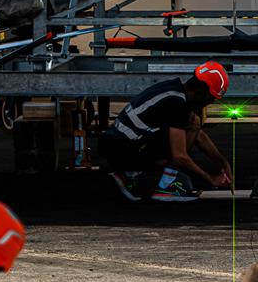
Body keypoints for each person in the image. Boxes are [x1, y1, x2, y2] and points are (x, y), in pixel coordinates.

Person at [99, 62, 233, 202]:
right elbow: (179, 157)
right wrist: (210, 179)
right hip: (120, 150)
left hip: (115, 145)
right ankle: (163, 183)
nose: (210, 102)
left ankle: (130, 171)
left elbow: (196, 133)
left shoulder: (175, 90)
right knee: (184, 137)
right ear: (201, 89)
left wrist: (221, 161)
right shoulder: (176, 104)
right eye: (211, 97)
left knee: (193, 121)